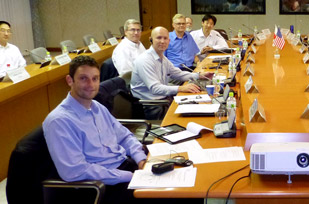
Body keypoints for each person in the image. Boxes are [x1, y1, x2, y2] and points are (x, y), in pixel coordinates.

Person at [42, 55, 147, 204]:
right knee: (173, 197)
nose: (91, 84)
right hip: (103, 186)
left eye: (95, 78)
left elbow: (124, 136)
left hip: (126, 166)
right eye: (83, 78)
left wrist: (141, 159)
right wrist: (130, 176)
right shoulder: (59, 121)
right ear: (69, 80)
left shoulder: (97, 107)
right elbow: (76, 171)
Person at [131, 27, 214, 120]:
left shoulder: (162, 57)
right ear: (151, 39)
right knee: (186, 120)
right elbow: (155, 88)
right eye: (159, 38)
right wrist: (181, 88)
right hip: (149, 105)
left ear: (169, 41)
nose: (162, 41)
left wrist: (199, 76)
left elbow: (177, 73)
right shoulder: (145, 60)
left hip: (163, 99)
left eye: (165, 38)